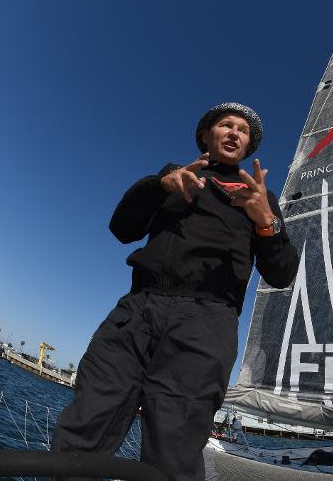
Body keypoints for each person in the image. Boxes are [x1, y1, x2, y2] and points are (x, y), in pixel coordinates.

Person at [51, 102, 299, 480]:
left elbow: (282, 274)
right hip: (136, 313)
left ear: (248, 147)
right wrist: (157, 186)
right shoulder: (172, 177)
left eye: (243, 131)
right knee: (86, 422)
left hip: (205, 325)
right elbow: (121, 228)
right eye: (225, 125)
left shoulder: (260, 199)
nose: (234, 132)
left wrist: (266, 222)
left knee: (174, 448)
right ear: (206, 135)